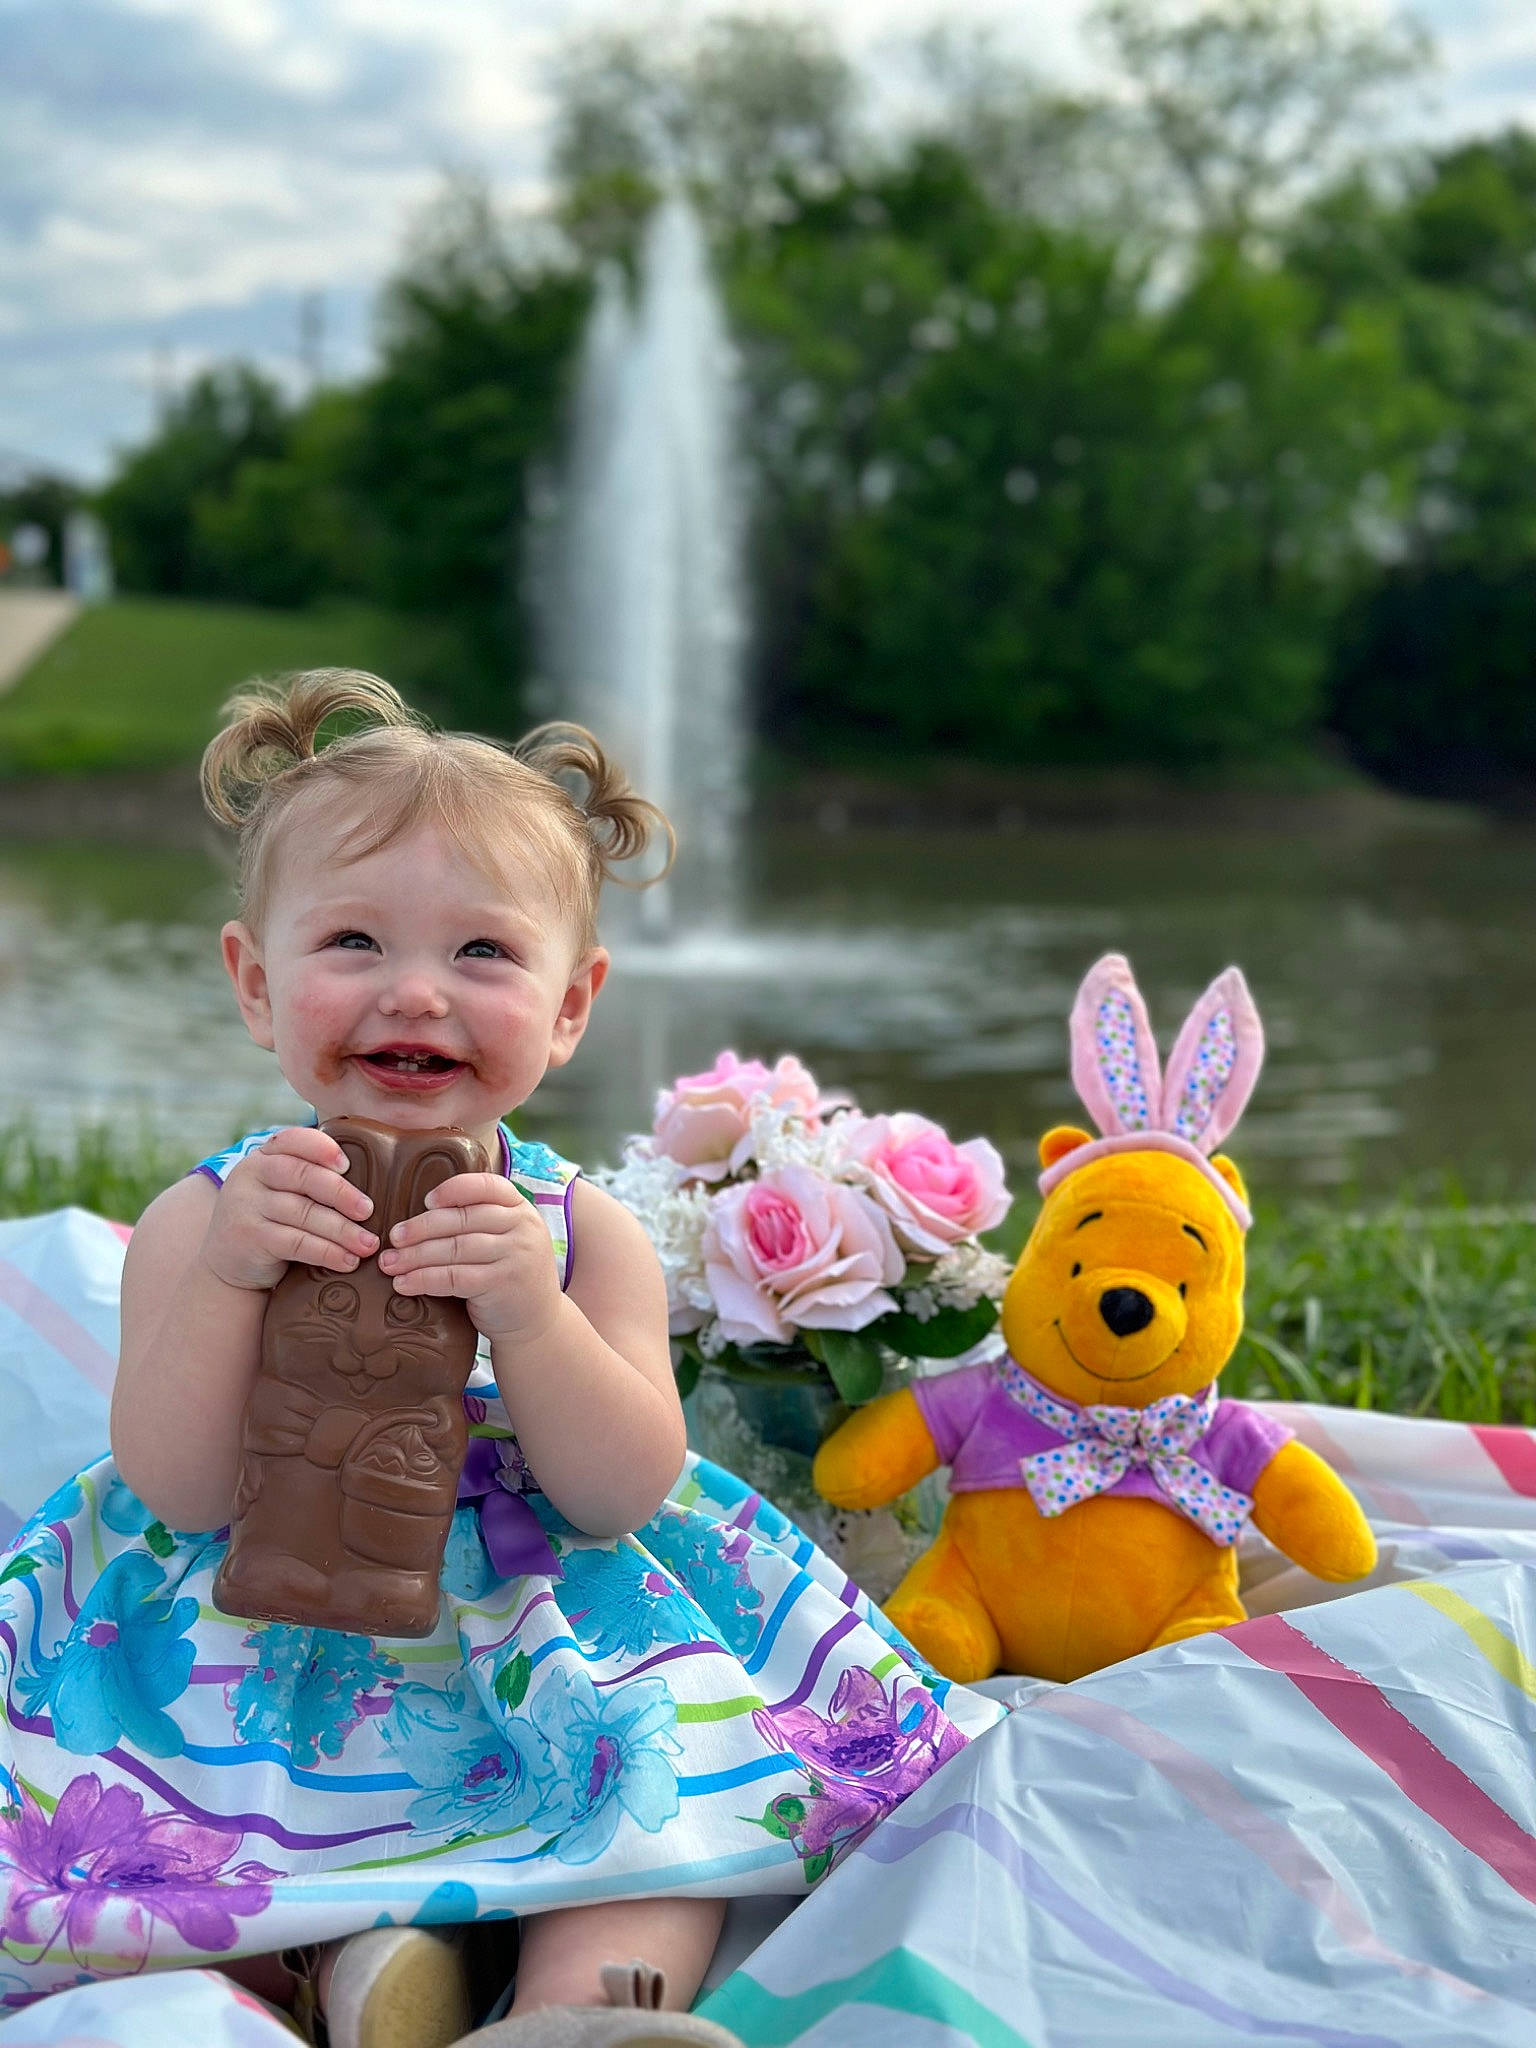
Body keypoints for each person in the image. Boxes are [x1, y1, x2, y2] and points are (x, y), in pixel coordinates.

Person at [0, 673, 1001, 2047]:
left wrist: (533, 1315)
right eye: (353, 940)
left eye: (484, 954)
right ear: (254, 981)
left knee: (662, 1795)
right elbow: (175, 1484)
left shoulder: (584, 1232)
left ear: (571, 1004)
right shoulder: (210, 1215)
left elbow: (625, 1488)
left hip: (547, 1621)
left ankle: (578, 2010)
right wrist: (235, 1274)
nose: (418, 991)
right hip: (267, 1633)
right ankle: (337, 1975)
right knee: (182, 1835)